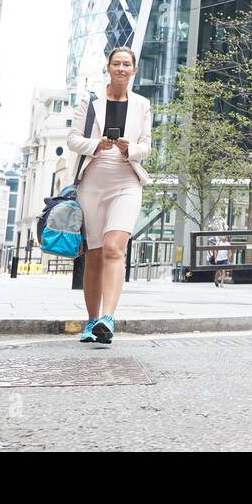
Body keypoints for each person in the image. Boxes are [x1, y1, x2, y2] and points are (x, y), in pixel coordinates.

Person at [66, 46, 153, 344]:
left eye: (126, 64)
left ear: (134, 70)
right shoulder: (89, 103)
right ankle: (91, 321)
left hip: (127, 181)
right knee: (93, 254)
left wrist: (129, 148)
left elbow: (147, 145)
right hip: (92, 182)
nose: (121, 68)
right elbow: (73, 139)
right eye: (116, 63)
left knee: (115, 247)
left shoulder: (142, 104)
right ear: (108, 67)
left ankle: (108, 318)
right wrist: (97, 145)